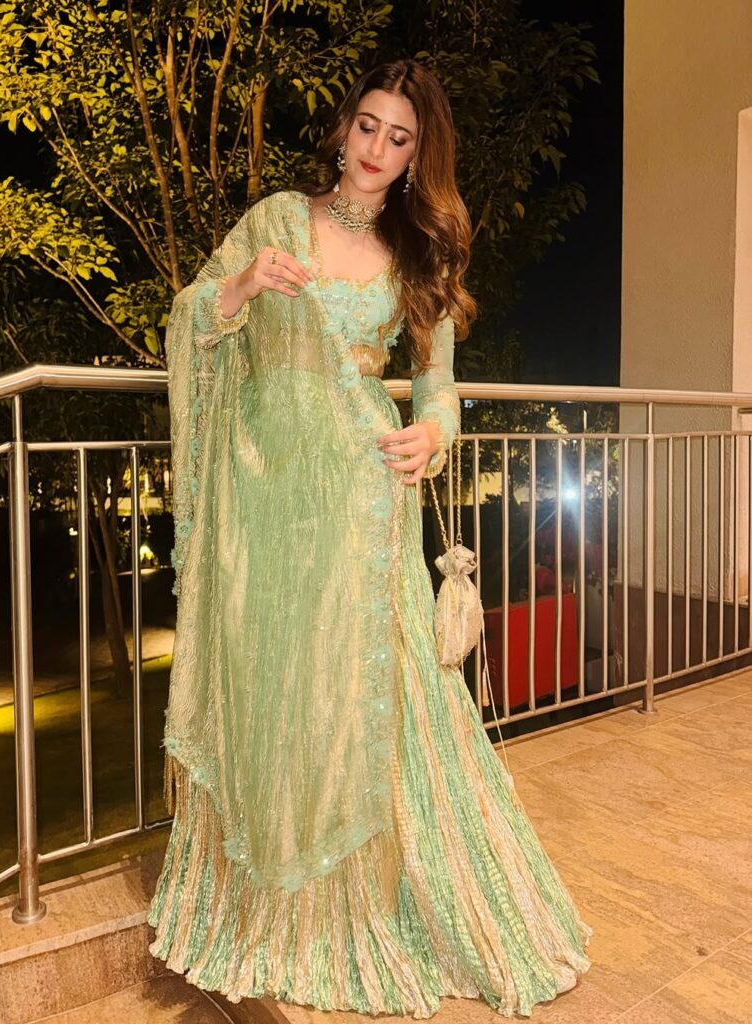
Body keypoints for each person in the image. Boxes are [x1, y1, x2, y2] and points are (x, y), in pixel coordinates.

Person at [148, 57, 592, 1019]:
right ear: (343, 126)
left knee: (360, 692)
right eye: (367, 127)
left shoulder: (418, 257)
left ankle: (372, 901)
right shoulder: (274, 218)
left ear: (416, 156)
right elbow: (188, 318)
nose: (376, 150)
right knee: (276, 685)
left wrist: (433, 434)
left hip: (360, 493)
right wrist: (239, 290)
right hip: (263, 495)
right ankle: (269, 901)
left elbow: (436, 384)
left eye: (399, 139)